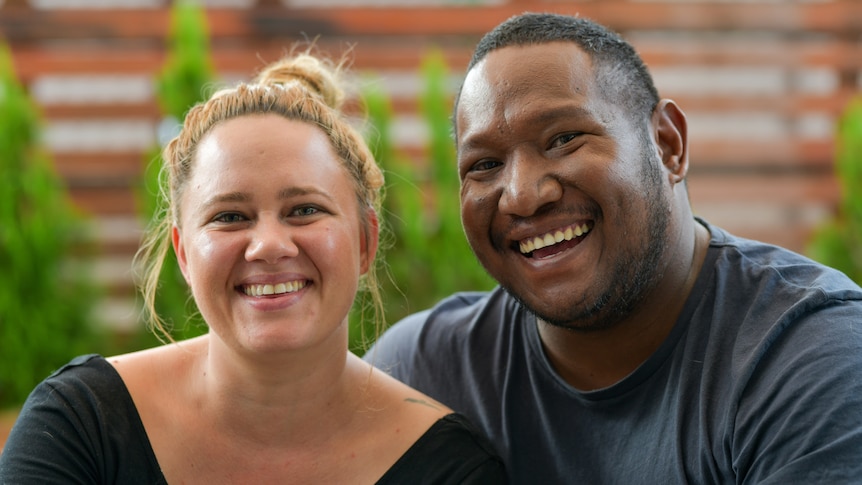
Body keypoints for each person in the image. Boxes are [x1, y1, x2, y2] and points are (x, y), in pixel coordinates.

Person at [365, 12, 862, 484]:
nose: (520, 194)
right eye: (484, 165)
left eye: (564, 138)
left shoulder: (811, 357)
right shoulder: (422, 374)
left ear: (668, 145)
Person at [0, 51, 506, 484]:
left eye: (304, 210)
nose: (267, 245)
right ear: (183, 253)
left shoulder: (451, 468)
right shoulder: (80, 426)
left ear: (365, 241)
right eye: (229, 217)